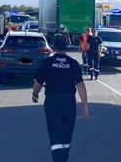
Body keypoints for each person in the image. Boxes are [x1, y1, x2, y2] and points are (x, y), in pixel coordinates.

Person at [32, 34, 89, 162]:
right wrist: (85, 105)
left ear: (53, 46)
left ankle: (59, 159)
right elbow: (80, 84)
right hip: (69, 101)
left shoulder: (47, 62)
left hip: (52, 101)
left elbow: (38, 83)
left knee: (55, 130)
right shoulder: (73, 63)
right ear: (66, 46)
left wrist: (35, 94)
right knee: (67, 130)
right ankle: (63, 158)